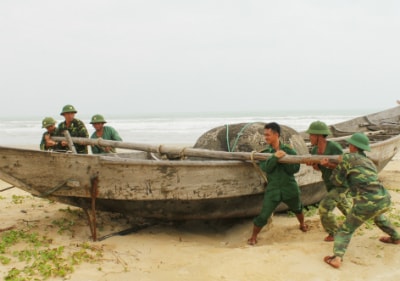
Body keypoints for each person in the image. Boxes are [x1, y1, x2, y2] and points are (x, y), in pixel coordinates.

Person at [323, 132, 400, 269]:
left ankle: (337, 257)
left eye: (349, 144)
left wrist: (327, 166)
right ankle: (396, 237)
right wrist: (336, 165)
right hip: (383, 198)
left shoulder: (346, 158)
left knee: (345, 230)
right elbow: (357, 173)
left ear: (352, 146)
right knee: (379, 217)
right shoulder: (368, 161)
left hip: (365, 203)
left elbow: (337, 181)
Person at [247, 122, 308, 246]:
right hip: (273, 189)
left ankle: (302, 224)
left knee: (297, 208)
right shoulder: (264, 153)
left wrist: (284, 159)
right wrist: (275, 157)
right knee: (264, 214)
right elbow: (266, 168)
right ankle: (253, 237)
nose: (266, 137)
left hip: (289, 187)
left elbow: (295, 169)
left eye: (268, 135)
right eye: (265, 135)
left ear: (276, 135)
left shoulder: (289, 151)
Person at [305, 121, 352, 242]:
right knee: (343, 206)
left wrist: (328, 165)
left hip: (340, 184)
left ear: (319, 136)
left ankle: (334, 233)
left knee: (324, 208)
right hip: (329, 183)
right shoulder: (314, 150)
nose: (309, 137)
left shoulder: (333, 147)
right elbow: (318, 167)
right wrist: (314, 164)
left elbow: (344, 167)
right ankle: (356, 220)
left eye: (311, 135)